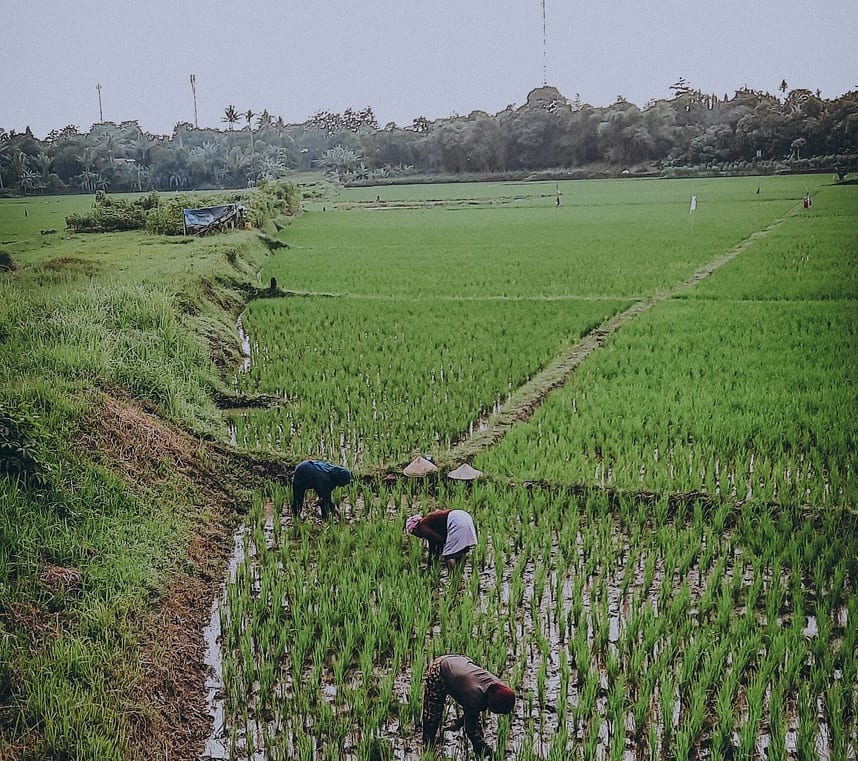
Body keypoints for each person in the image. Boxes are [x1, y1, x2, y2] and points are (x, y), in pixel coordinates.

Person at [422, 654, 515, 757]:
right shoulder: (474, 695)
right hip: (441, 669)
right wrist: (488, 751)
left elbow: (470, 714)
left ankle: (480, 753)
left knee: (474, 719)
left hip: (461, 662)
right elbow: (470, 729)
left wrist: (457, 725)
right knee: (432, 712)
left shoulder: (498, 687)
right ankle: (427, 745)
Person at [405, 509, 477, 569]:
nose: (417, 536)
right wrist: (431, 563)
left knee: (449, 555)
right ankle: (459, 575)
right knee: (460, 551)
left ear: (415, 529)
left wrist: (440, 555)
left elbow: (439, 541)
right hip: (464, 516)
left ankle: (454, 578)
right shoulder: (429, 522)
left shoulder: (422, 526)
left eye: (414, 534)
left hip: (456, 521)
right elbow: (433, 546)